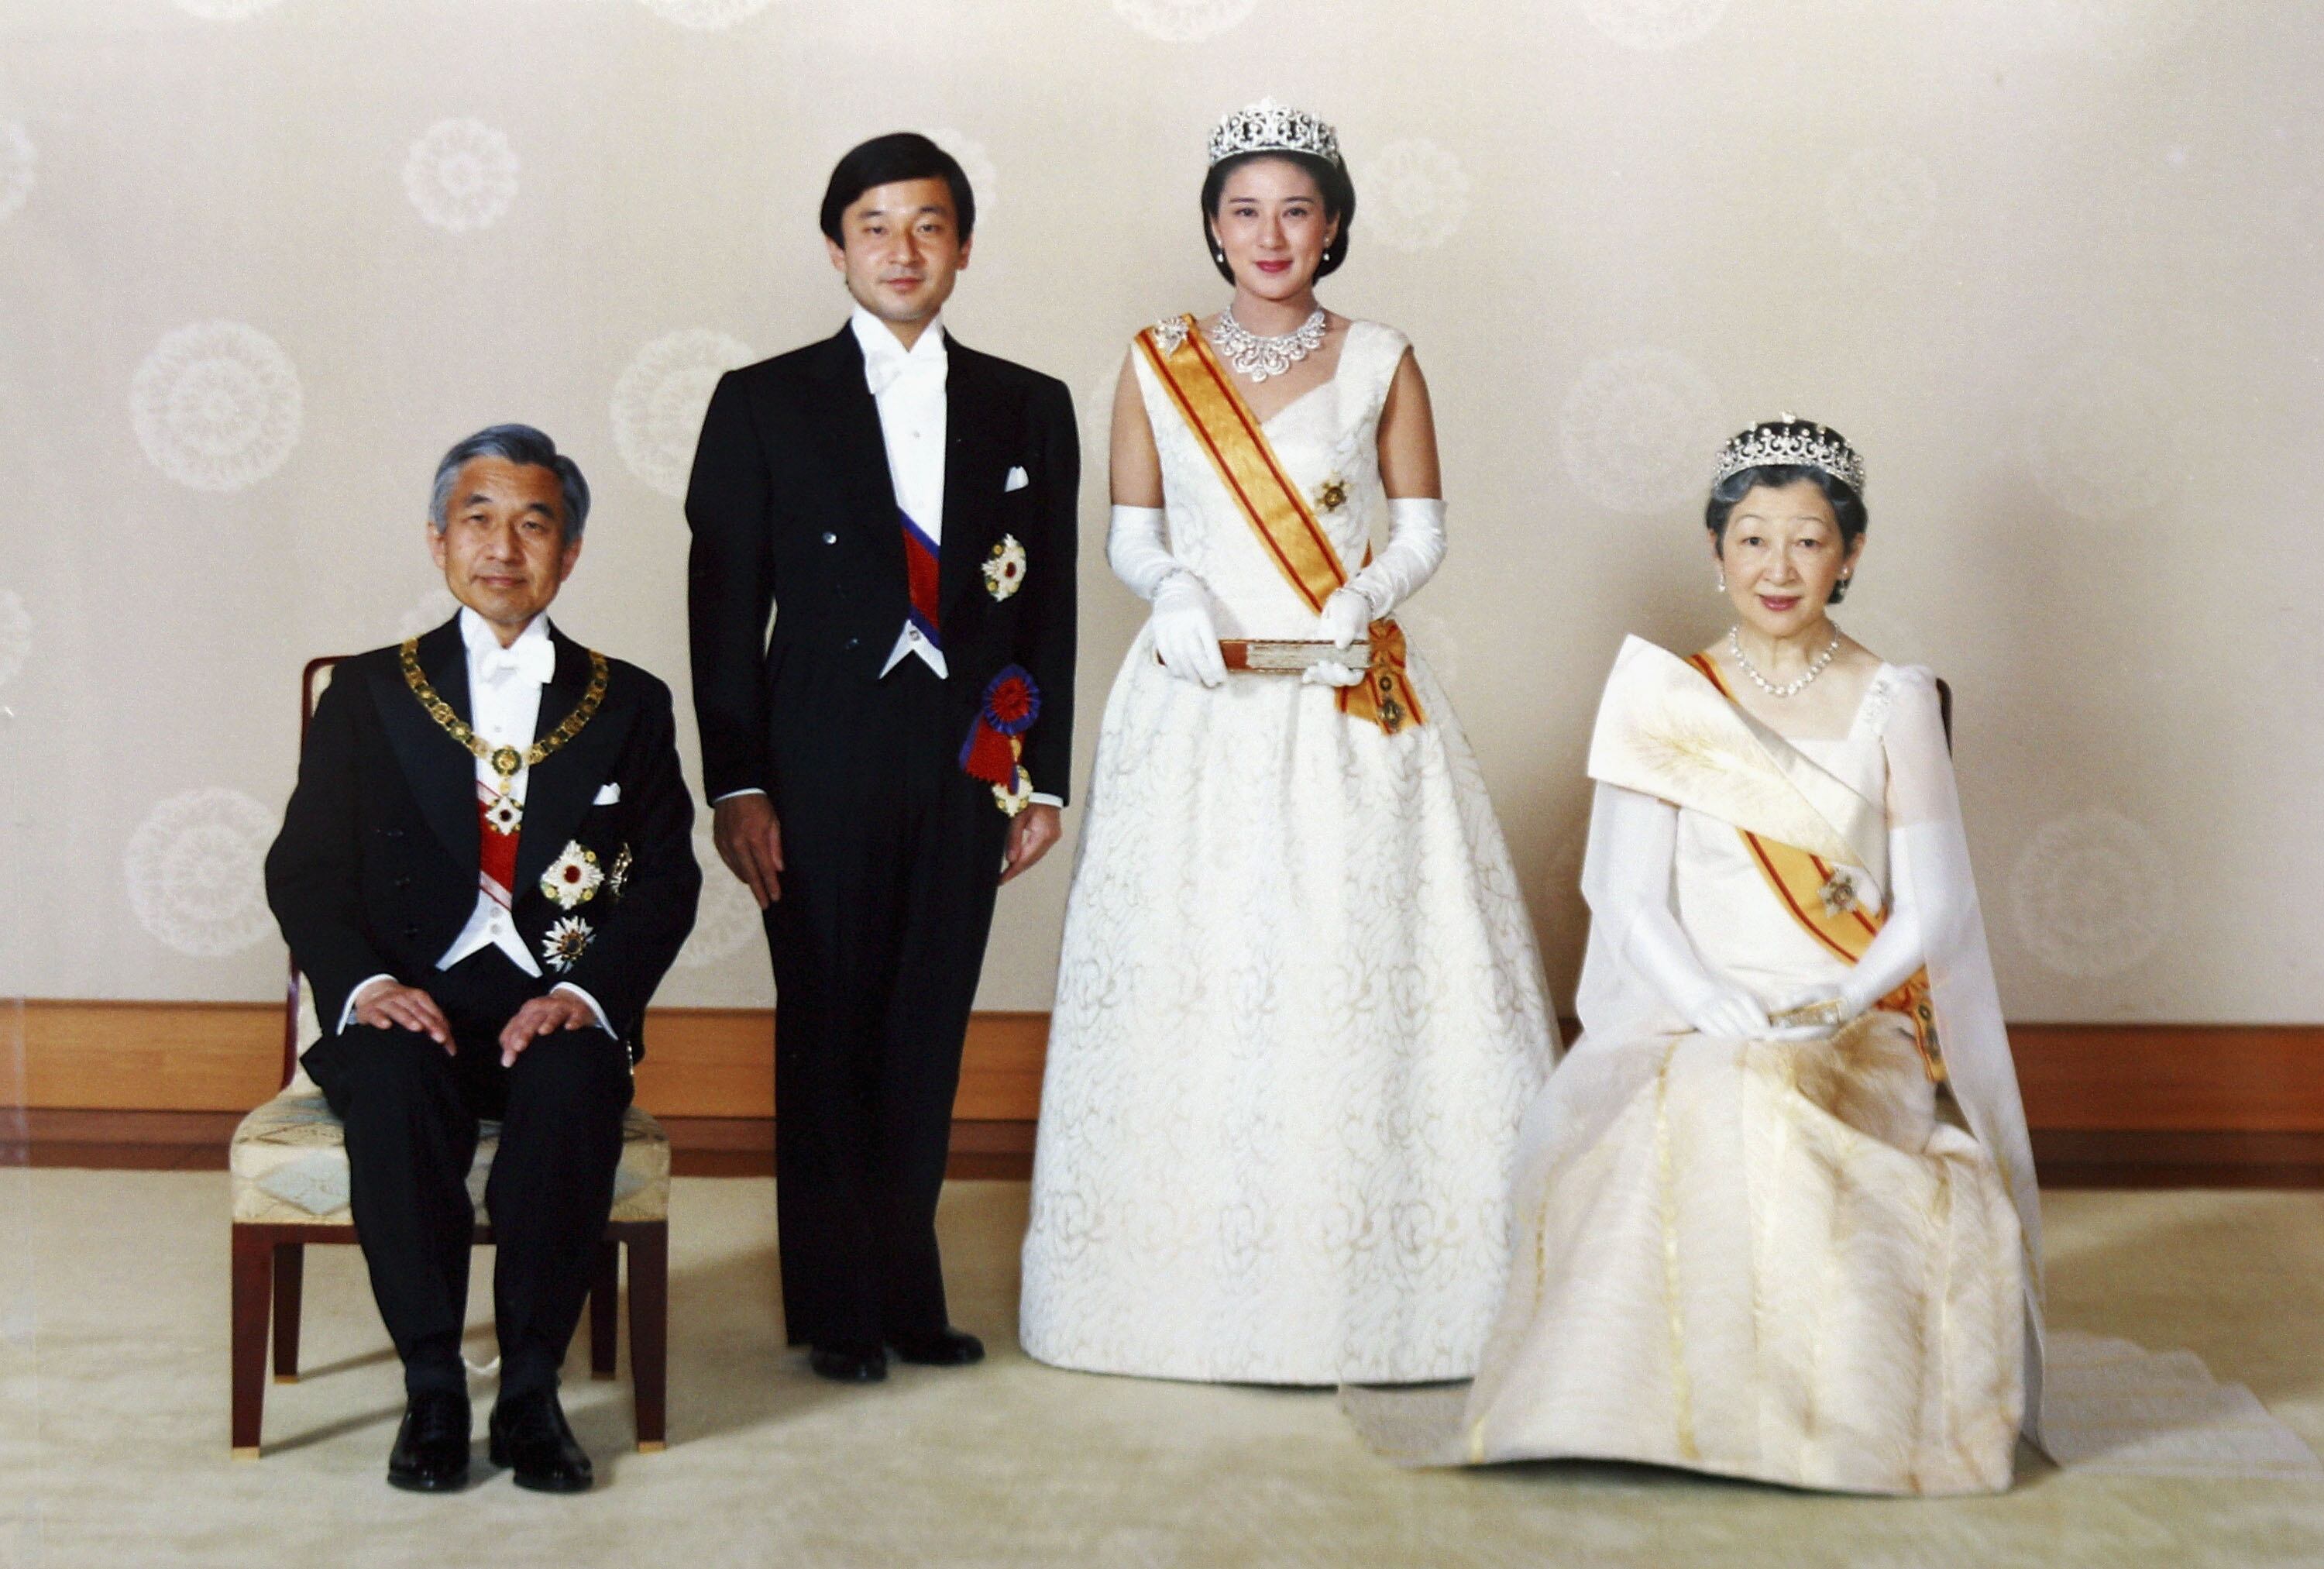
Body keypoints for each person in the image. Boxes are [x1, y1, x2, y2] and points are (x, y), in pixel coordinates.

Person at [1018, 101, 1556, 1385]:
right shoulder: (1155, 360)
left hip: (1340, 695)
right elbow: (1133, 530)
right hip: (1199, 701)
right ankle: (1169, 1299)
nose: (1272, 235)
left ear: (1334, 226)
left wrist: (1364, 593)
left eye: (1297, 210)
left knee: (1348, 961)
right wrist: (1177, 593)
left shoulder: (1384, 357)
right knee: (1198, 970)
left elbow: (1421, 528)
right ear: (1212, 225)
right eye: (1245, 210)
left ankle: (1384, 1293)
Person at [1430, 418, 2046, 1493]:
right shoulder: (1664, 697)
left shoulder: (1895, 698)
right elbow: (1624, 894)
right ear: (1715, 553)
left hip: (1851, 1014)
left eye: (1807, 541)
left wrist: (1841, 996)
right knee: (1704, 1097)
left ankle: (1824, 1429)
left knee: (1773, 1098)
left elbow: (1936, 904)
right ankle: (1632, 1415)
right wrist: (1709, 999)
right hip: (1692, 1010)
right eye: (1752, 538)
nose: (1778, 566)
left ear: (1849, 554)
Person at [685, 132, 1078, 1384]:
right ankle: (836, 1302)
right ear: (835, 245)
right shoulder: (763, 399)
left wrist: (1039, 773)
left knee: (927, 1023)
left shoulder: (1030, 404)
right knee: (829, 1024)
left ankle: (909, 1286)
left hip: (964, 760)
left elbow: (1049, 610)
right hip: (815, 759)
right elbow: (722, 605)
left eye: (927, 227)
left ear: (962, 246)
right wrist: (736, 780)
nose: (900, 250)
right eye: (874, 226)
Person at [265, 425, 700, 1494]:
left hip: (548, 1001)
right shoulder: (368, 692)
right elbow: (306, 871)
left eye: (534, 522)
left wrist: (587, 996)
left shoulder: (630, 699)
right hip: (405, 998)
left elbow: (667, 880)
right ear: (438, 541)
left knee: (572, 1079)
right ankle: (431, 1385)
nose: (505, 545)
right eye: (479, 518)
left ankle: (532, 1389)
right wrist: (368, 988)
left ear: (570, 552)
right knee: (397, 1081)